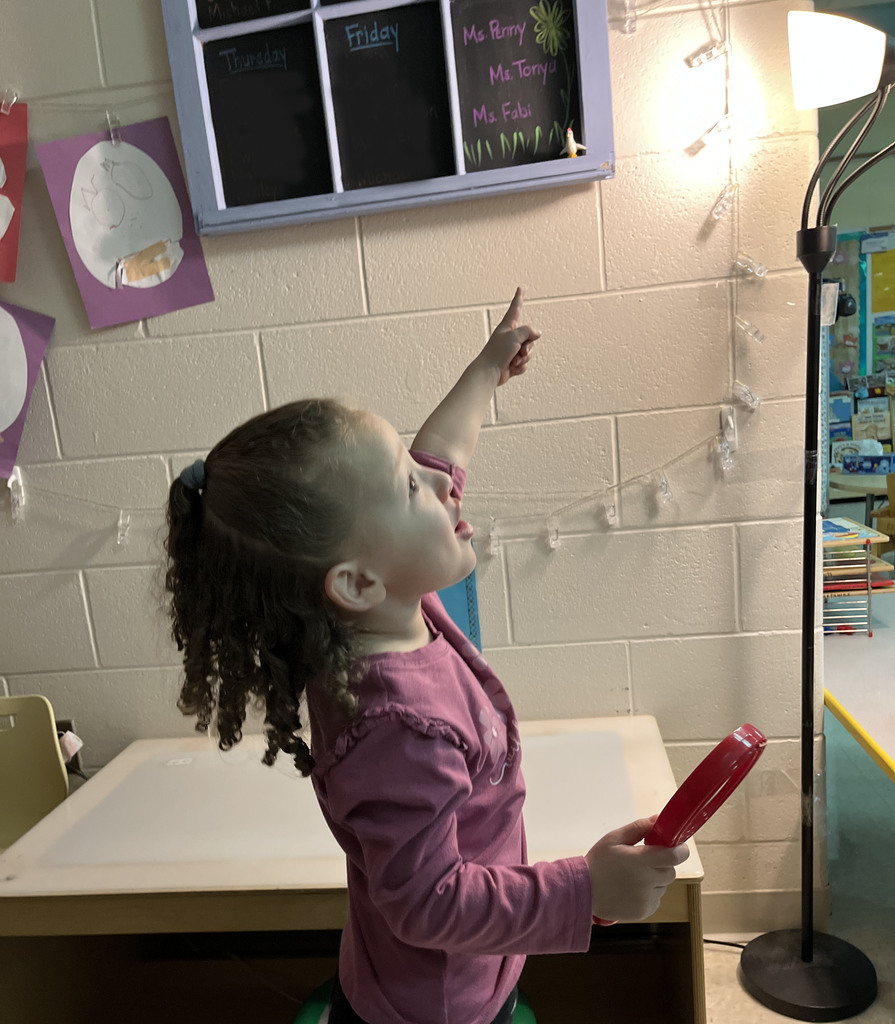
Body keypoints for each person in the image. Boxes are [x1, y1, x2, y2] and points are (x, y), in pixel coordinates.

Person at [164, 288, 689, 1024]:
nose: (442, 483)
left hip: (459, 978)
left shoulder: (385, 611)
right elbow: (425, 901)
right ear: (355, 580)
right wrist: (584, 891)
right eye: (411, 488)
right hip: (434, 1009)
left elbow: (441, 455)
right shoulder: (397, 725)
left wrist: (485, 370)